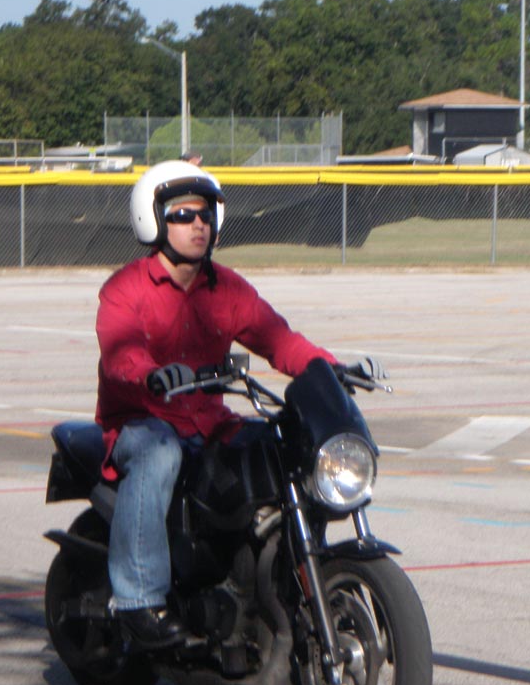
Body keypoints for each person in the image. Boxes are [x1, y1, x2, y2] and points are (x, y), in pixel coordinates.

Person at [94, 159, 381, 650]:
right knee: (159, 452)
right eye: (183, 215)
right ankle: (140, 601)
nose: (198, 224)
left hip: (208, 421)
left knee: (278, 447)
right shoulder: (125, 288)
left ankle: (278, 579)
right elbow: (121, 353)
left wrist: (329, 369)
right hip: (142, 422)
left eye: (205, 214)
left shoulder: (227, 289)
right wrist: (151, 374)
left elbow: (278, 339)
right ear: (154, 219)